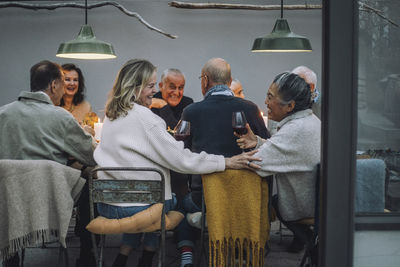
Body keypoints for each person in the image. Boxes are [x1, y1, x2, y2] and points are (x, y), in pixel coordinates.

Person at [93, 59, 261, 267]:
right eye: (151, 86)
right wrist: (225, 162)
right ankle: (153, 257)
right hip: (138, 206)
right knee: (171, 200)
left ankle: (127, 254)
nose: (154, 92)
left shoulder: (110, 116)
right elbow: (181, 160)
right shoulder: (147, 119)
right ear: (134, 88)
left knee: (157, 198)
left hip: (106, 205)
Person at [0, 60, 97, 267]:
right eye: (63, 83)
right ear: (54, 85)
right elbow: (90, 156)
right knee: (90, 186)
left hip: (9, 200)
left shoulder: (3, 113)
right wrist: (86, 135)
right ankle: (88, 255)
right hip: (51, 197)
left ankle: (11, 255)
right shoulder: (60, 116)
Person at [176, 58, 270, 267]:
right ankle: (242, 249)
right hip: (246, 198)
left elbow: (180, 152)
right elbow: (267, 148)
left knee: (179, 200)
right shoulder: (251, 108)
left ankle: (187, 253)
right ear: (229, 81)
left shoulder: (191, 111)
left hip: (206, 199)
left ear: (205, 80)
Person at [237, 72, 321, 253]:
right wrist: (258, 142)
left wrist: (225, 161)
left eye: (270, 97)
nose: (265, 102)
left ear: (290, 106)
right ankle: (313, 243)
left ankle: (313, 247)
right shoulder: (310, 120)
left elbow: (256, 163)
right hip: (320, 201)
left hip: (305, 207)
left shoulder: (295, 130)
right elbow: (285, 151)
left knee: (273, 203)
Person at [150, 68, 194, 202]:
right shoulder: (149, 101)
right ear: (161, 86)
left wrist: (163, 107)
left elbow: (180, 133)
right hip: (156, 161)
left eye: (181, 88)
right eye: (172, 87)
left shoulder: (188, 104)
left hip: (179, 162)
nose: (176, 92)